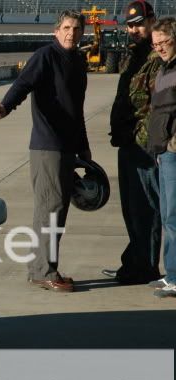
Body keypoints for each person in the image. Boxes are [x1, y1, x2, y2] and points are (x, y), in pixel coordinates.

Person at [0, 10, 91, 293]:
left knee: (59, 210)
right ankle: (42, 271)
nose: (72, 33)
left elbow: (76, 109)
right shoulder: (45, 56)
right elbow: (23, 84)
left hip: (68, 146)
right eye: (67, 27)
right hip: (47, 146)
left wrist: (83, 147)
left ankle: (46, 267)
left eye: (77, 28)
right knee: (49, 208)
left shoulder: (78, 61)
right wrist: (5, 106)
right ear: (56, 31)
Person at [104, 1, 163, 285]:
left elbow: (158, 107)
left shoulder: (158, 57)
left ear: (152, 21)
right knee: (130, 208)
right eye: (130, 25)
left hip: (143, 146)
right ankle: (135, 260)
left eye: (139, 23)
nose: (134, 29)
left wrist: (144, 139)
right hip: (127, 143)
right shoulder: (132, 56)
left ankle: (146, 267)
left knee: (146, 208)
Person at [147, 17, 176, 297]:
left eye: (163, 42)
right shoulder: (164, 68)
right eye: (155, 44)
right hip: (164, 152)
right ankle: (172, 273)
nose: (159, 48)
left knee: (173, 216)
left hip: (173, 151)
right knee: (168, 216)